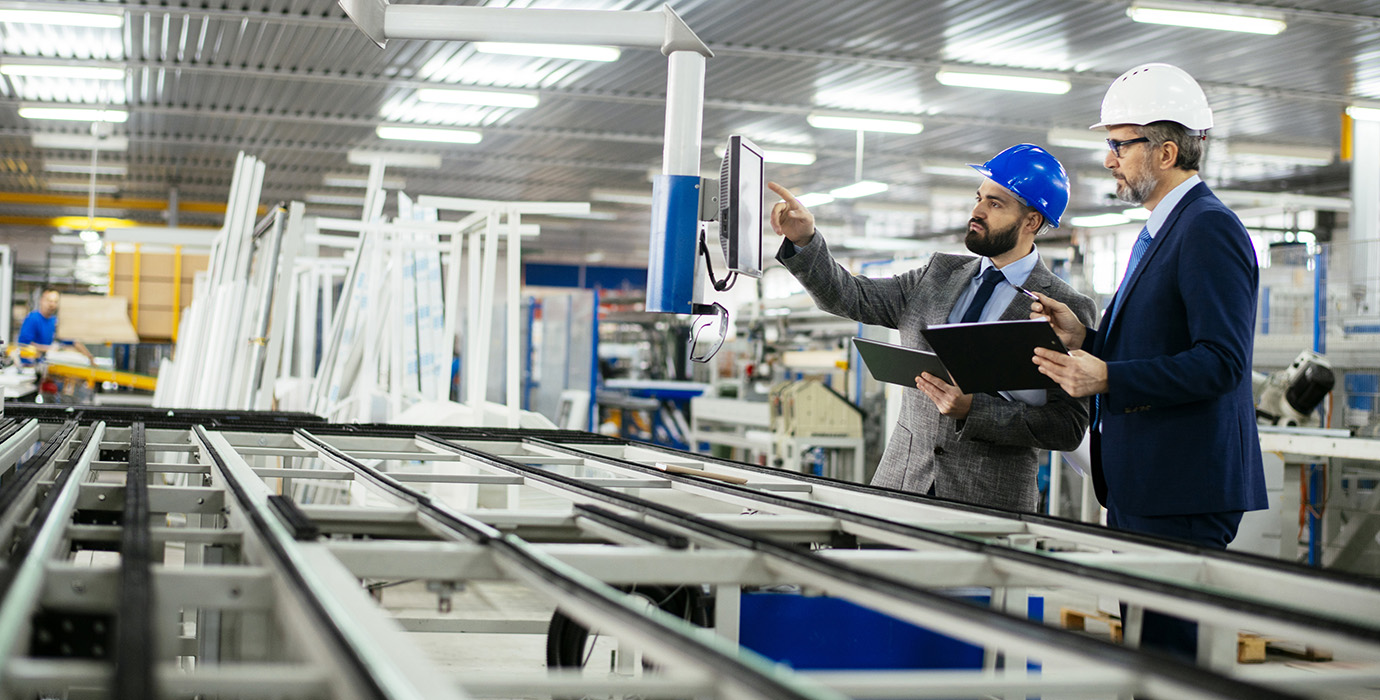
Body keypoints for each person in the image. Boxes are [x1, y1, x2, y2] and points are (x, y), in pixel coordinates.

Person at [1029, 63, 1268, 660]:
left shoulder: (1209, 229)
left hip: (1182, 491)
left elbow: (1221, 361)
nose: (1108, 158)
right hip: (1150, 485)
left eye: (1118, 144)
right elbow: (1163, 344)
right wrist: (1084, 334)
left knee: (1168, 665)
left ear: (1164, 151)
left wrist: (1107, 375)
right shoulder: (1165, 229)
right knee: (1147, 656)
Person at [769, 144, 1096, 512]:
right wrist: (805, 242)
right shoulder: (937, 275)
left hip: (989, 505)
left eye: (996, 204)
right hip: (901, 486)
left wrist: (975, 410)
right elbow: (849, 296)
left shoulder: (1066, 309)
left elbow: (1066, 427)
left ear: (1032, 222)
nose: (977, 211)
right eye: (979, 198)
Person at [17, 288, 95, 365]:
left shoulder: (54, 321)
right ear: (42, 301)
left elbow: (73, 341)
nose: (52, 304)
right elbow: (24, 345)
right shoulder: (33, 318)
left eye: (55, 302)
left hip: (45, 365)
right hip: (29, 366)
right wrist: (49, 349)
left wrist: (89, 357)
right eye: (49, 301)